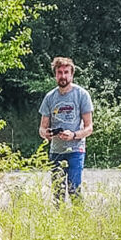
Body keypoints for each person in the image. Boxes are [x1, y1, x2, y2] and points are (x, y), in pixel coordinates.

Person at [38, 58, 93, 201]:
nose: (63, 76)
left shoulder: (82, 95)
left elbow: (89, 127)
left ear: (72, 74)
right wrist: (47, 134)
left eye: (66, 72)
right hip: (56, 150)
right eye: (59, 72)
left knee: (74, 189)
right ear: (55, 75)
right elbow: (42, 128)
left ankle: (78, 220)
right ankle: (59, 222)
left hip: (76, 149)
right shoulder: (50, 97)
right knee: (58, 193)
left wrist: (73, 135)